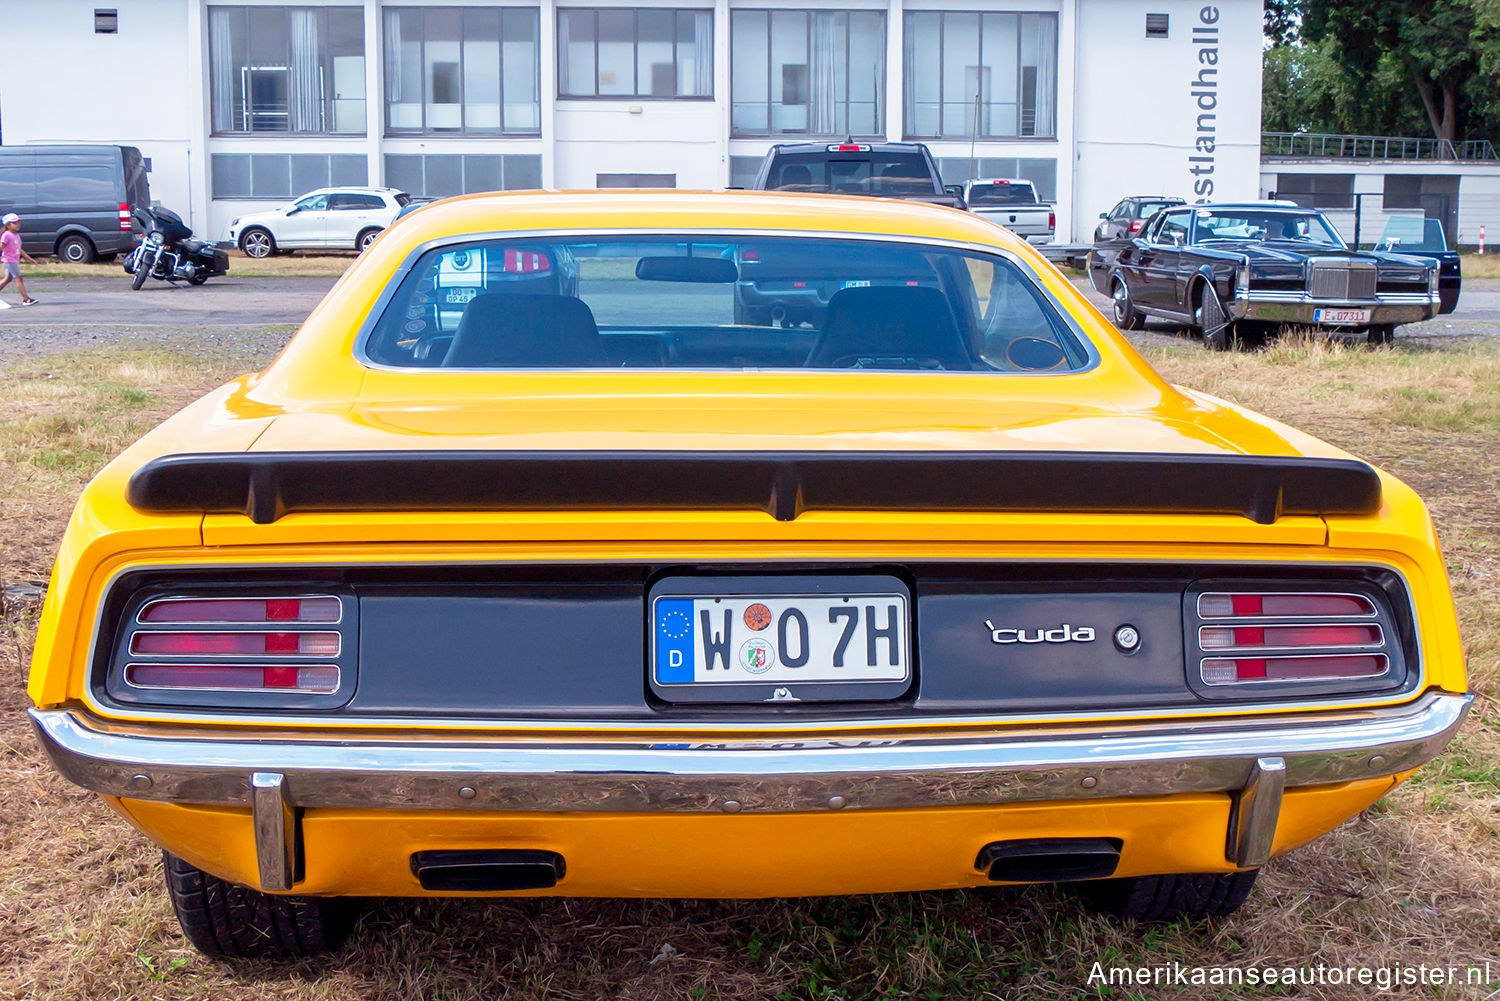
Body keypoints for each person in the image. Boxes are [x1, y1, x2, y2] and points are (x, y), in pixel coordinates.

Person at [0, 212, 38, 307]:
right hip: (8, 260)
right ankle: (26, 299)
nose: (17, 224)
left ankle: (26, 299)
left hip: (13, 261)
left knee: (8, 279)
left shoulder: (16, 235)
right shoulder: (6, 235)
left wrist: (29, 259)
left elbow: (20, 249)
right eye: (15, 223)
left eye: (18, 222)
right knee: (18, 278)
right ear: (8, 225)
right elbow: (1, 246)